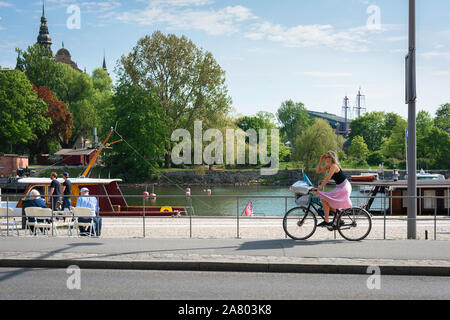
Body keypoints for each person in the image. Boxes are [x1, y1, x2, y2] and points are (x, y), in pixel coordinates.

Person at [313, 151, 353, 228]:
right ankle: (338, 219)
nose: (325, 159)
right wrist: (320, 160)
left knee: (325, 199)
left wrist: (319, 188)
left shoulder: (334, 166)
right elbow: (318, 171)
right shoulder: (329, 166)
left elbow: (327, 178)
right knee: (326, 201)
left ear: (331, 158)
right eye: (325, 157)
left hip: (344, 187)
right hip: (339, 187)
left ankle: (327, 221)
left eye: (326, 157)